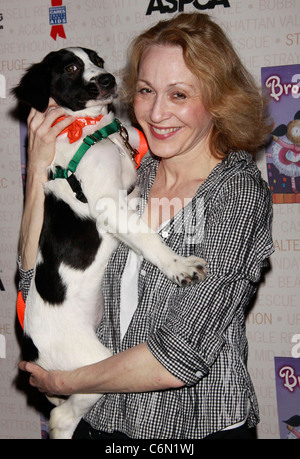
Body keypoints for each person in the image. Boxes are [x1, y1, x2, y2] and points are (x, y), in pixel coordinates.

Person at [18, 13, 274, 439]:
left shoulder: (236, 194)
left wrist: (66, 385)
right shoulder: (136, 164)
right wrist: (38, 169)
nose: (156, 112)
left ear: (219, 99)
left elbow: (180, 354)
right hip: (103, 423)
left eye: (178, 94)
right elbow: (31, 278)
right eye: (145, 90)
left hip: (189, 429)